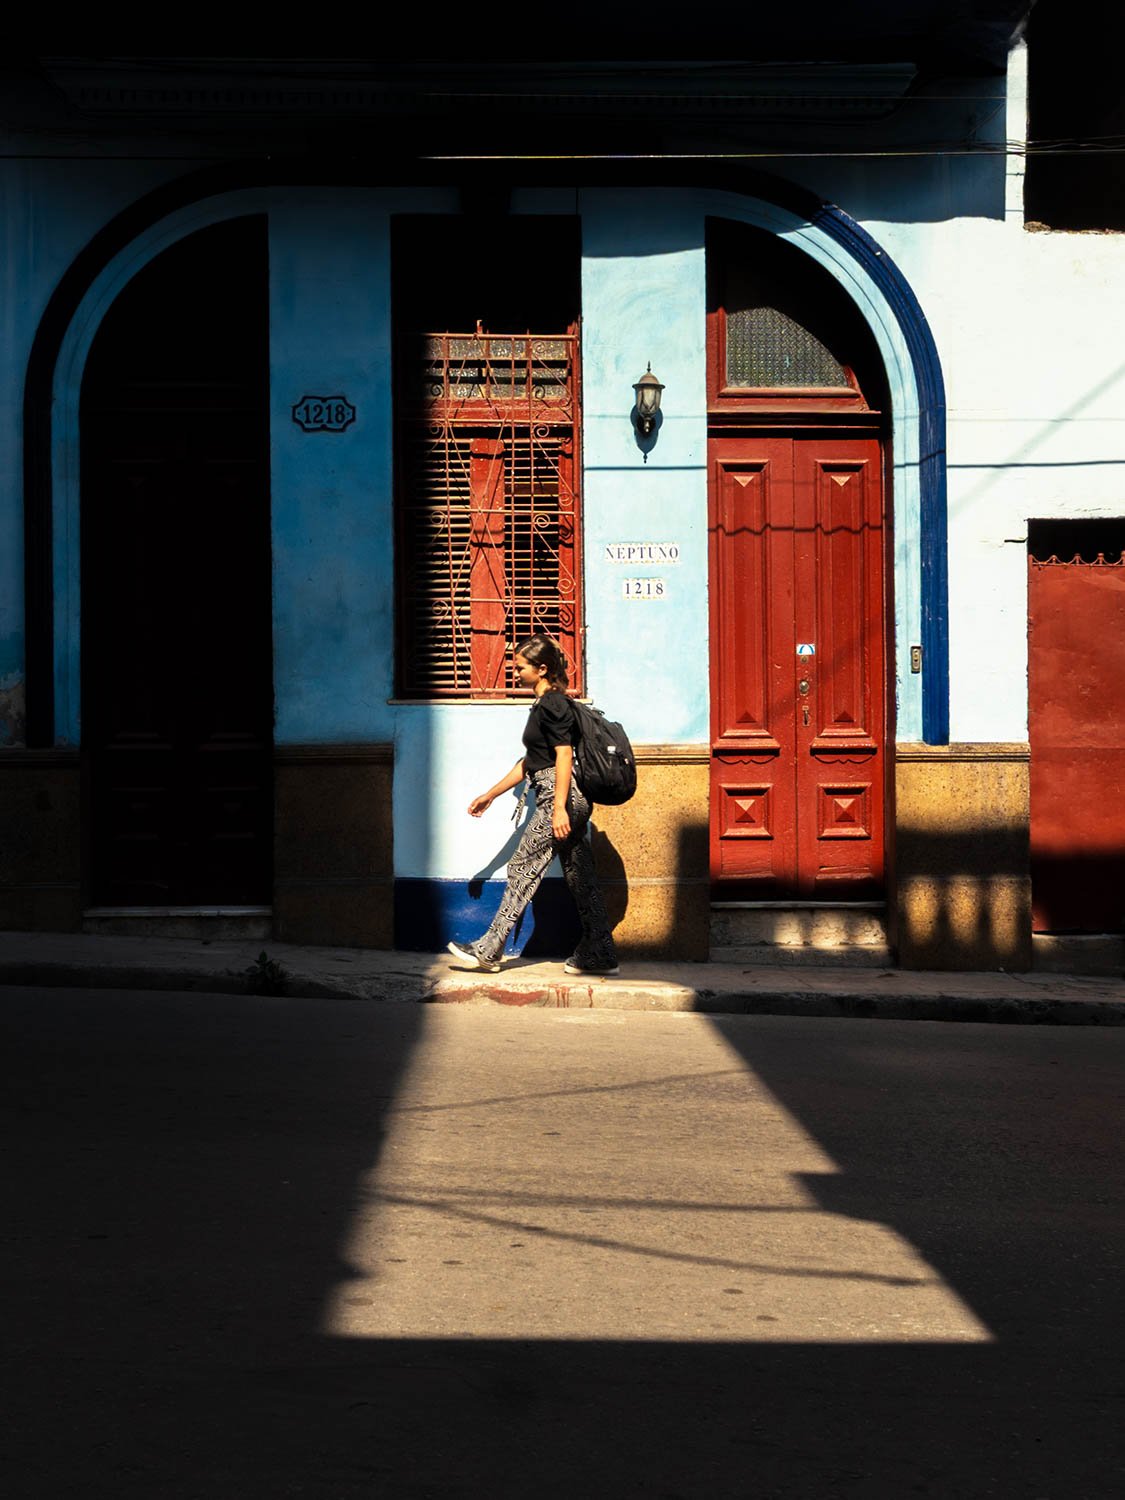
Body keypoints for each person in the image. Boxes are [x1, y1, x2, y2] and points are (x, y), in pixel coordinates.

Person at [446, 634, 620, 976]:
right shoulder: (547, 705)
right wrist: (491, 793)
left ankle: (489, 949)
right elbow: (530, 762)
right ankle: (600, 952)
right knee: (579, 876)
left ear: (541, 669)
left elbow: (563, 755)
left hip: (561, 796)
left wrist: (558, 809)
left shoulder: (553, 704)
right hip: (567, 796)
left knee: (522, 867)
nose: (515, 672)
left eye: (520, 666)